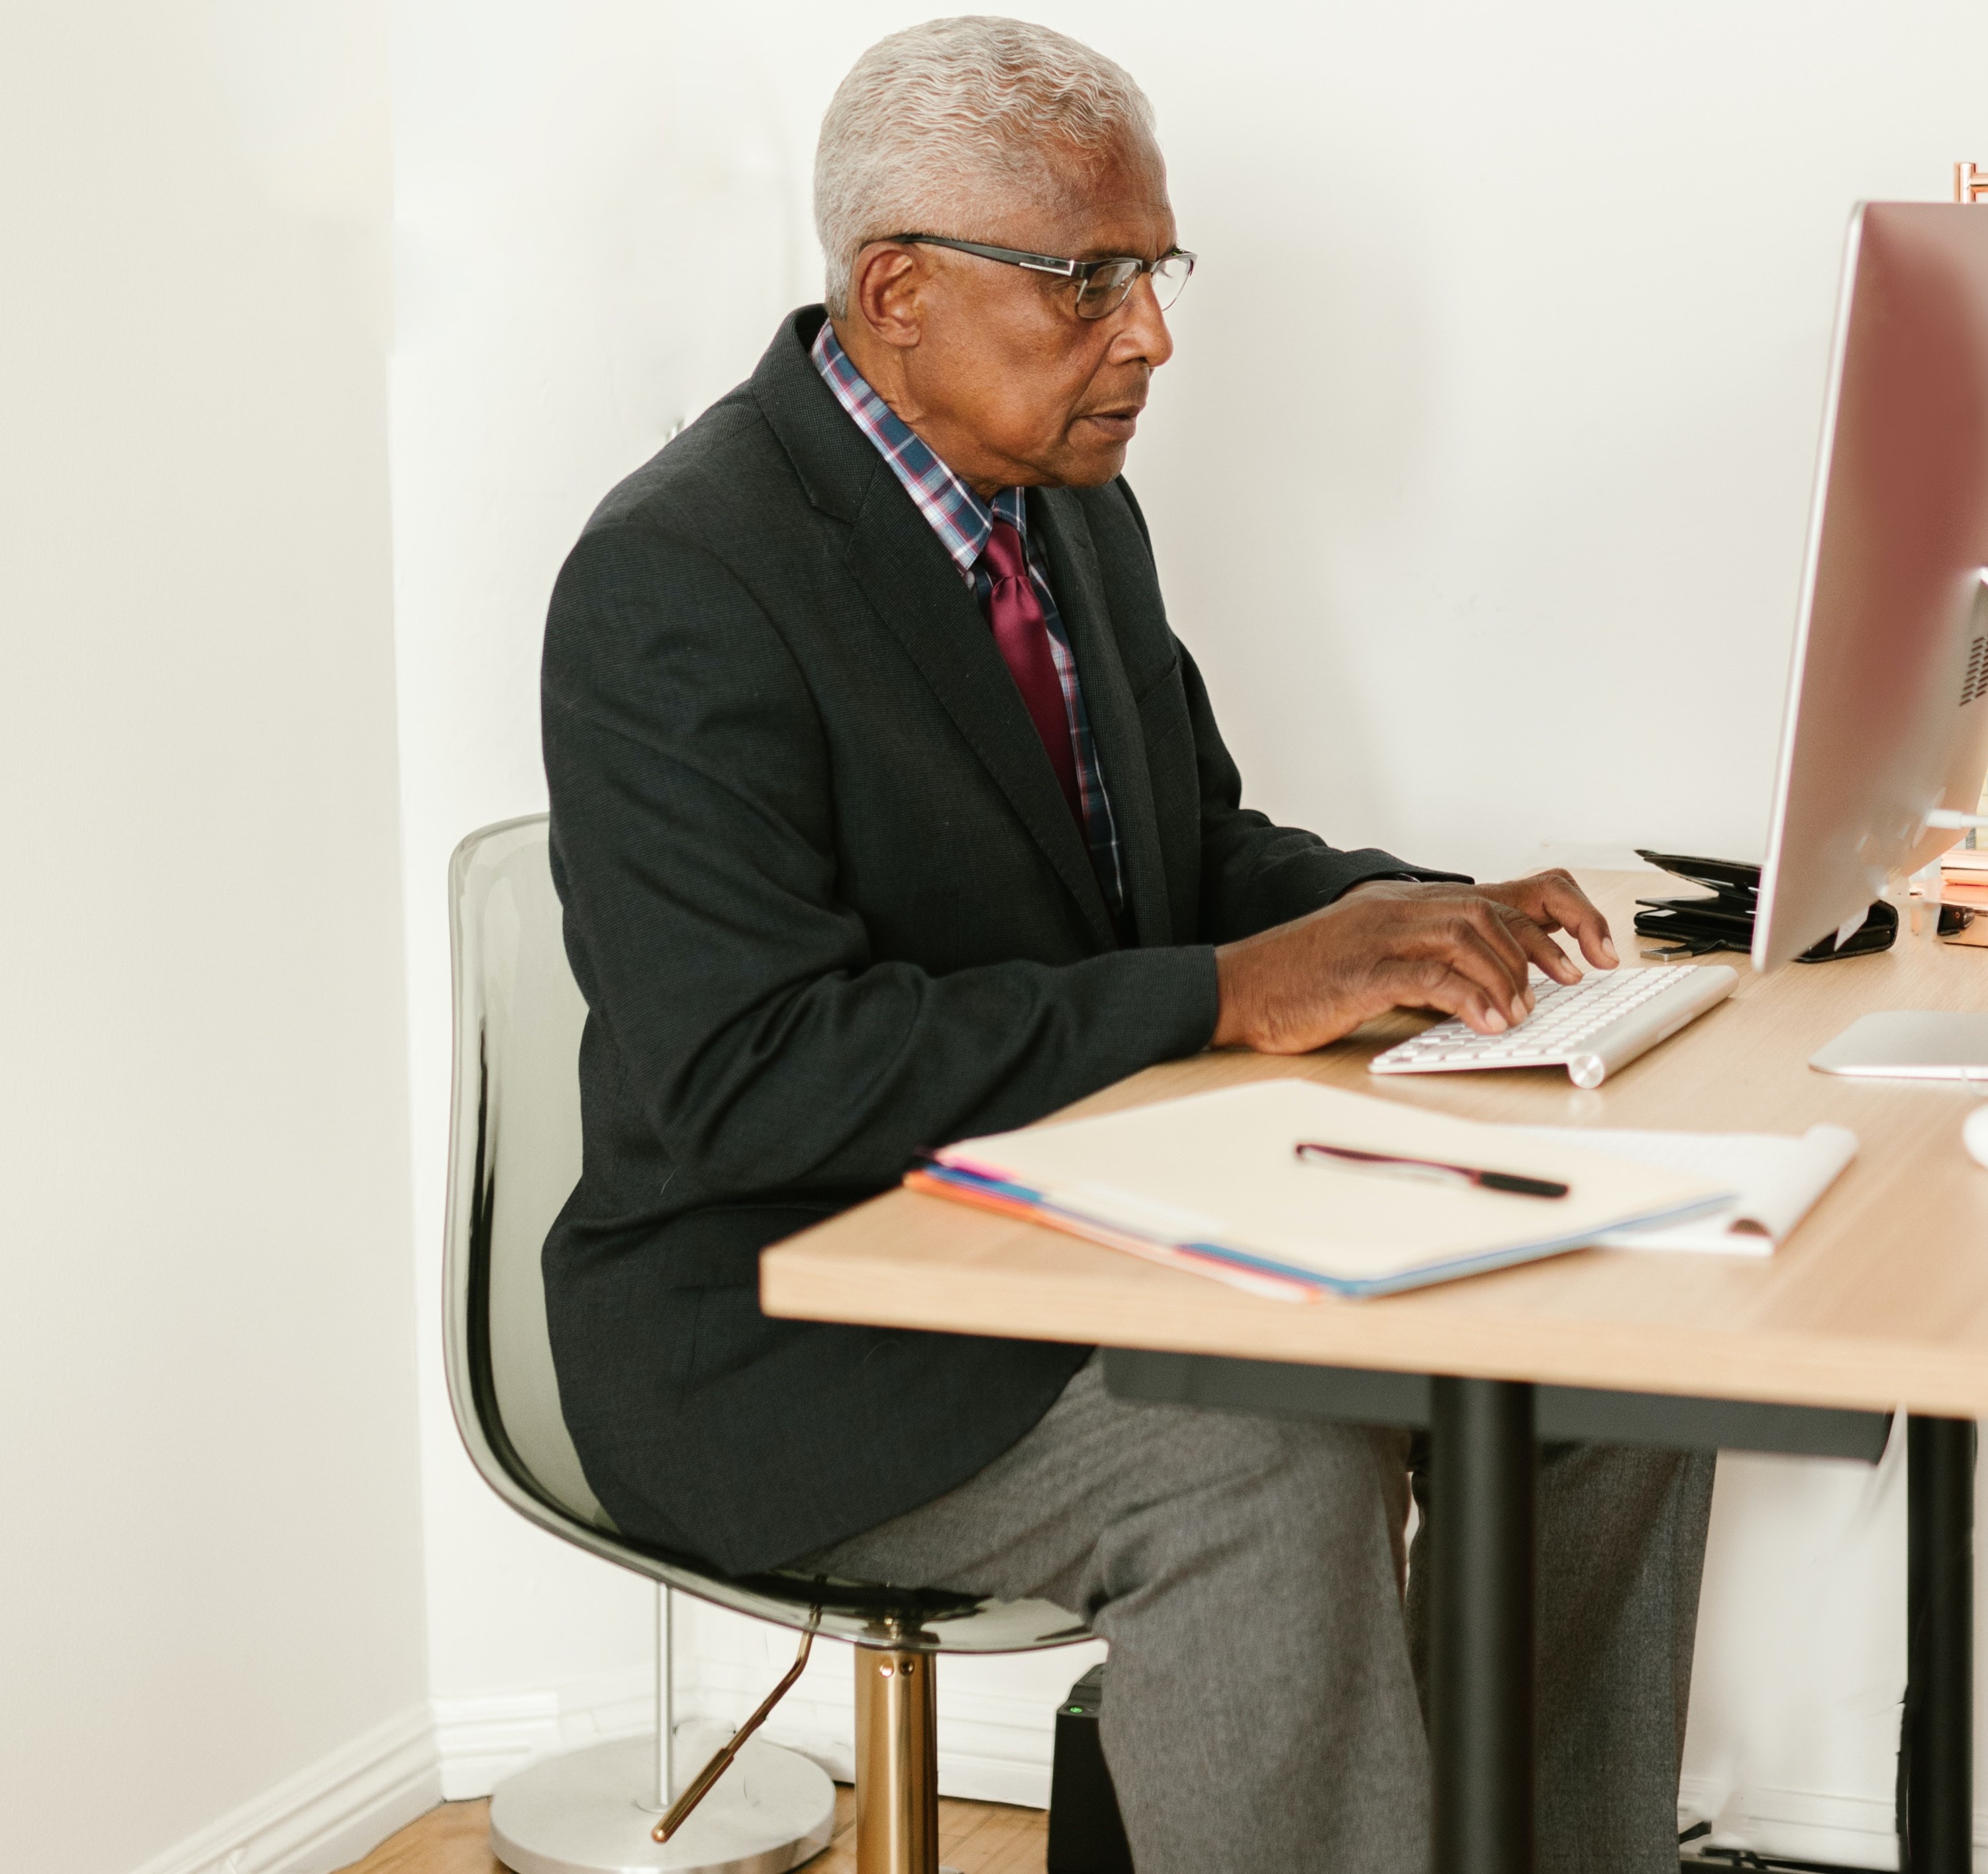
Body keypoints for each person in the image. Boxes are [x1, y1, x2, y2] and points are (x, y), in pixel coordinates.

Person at [540, 17, 1709, 1871]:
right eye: (1085, 279)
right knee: (1255, 1466)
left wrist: (1410, 920)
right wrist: (1239, 993)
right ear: (898, 288)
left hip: (1067, 1211)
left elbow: (1182, 852)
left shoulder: (1068, 511)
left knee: (1611, 1356)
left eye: (1151, 271)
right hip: (781, 1320)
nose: (1148, 334)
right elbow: (749, 1077)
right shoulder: (680, 581)